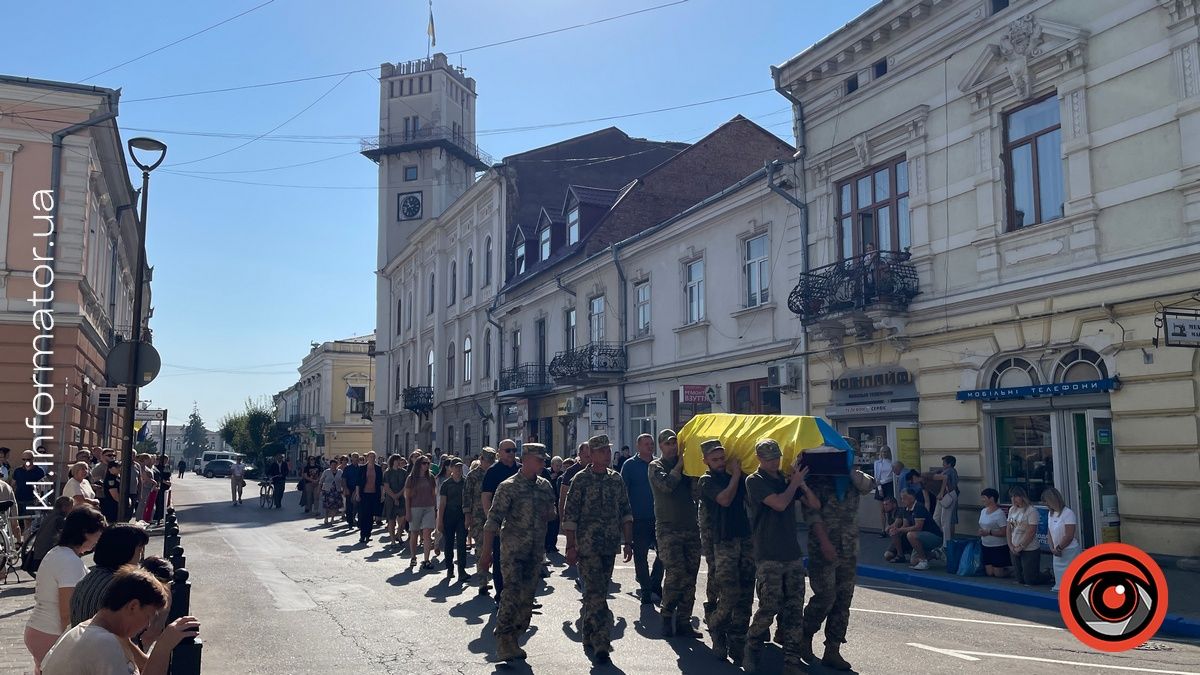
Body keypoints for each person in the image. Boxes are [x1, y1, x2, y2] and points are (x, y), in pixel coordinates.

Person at [743, 439, 819, 674]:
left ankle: (791, 662)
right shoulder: (754, 481)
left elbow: (814, 505)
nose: (774, 462)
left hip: (791, 553)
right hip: (769, 554)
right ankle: (752, 646)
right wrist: (793, 484)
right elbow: (779, 504)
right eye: (769, 459)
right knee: (769, 606)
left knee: (794, 609)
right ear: (759, 459)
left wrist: (801, 485)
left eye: (776, 457)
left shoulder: (784, 479)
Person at [41, 567, 200, 675]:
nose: (148, 625)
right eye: (148, 616)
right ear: (133, 606)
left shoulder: (86, 629)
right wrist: (163, 646)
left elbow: (145, 666)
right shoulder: (104, 642)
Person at [480, 443, 556, 663]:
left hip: (535, 552)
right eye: (539, 460)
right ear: (527, 459)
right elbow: (492, 521)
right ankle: (503, 640)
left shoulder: (544, 486)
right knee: (511, 594)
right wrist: (486, 554)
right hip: (513, 551)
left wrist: (549, 514)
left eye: (544, 460)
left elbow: (551, 513)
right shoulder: (508, 486)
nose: (543, 464)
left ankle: (514, 637)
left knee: (527, 598)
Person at [562, 434, 633, 665]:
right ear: (590, 455)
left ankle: (588, 633)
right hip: (588, 546)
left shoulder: (616, 479)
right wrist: (570, 546)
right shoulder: (581, 480)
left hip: (609, 545)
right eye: (601, 450)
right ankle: (602, 641)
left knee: (598, 592)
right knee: (595, 593)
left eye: (608, 450)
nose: (606, 454)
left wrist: (628, 542)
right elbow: (570, 515)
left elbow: (625, 510)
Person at [801, 459, 875, 672]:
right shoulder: (816, 481)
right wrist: (824, 542)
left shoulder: (853, 480)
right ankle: (804, 636)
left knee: (843, 600)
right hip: (823, 548)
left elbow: (869, 486)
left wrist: (852, 471)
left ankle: (832, 649)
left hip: (848, 548)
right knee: (825, 597)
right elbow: (812, 516)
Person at [24, 506, 106, 674]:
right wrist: (74, 644)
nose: (97, 542)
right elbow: (67, 613)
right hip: (51, 632)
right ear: (84, 532)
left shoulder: (58, 553)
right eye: (97, 535)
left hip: (41, 629)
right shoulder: (69, 561)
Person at [697, 439, 754, 663]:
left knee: (746, 592)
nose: (720, 463)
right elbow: (725, 499)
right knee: (726, 591)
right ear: (705, 461)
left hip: (744, 537)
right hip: (722, 541)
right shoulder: (706, 480)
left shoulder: (737, 478)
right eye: (715, 460)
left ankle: (737, 639)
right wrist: (737, 475)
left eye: (722, 458)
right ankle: (715, 627)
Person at [648, 428, 701, 638]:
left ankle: (684, 621)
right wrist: (680, 466)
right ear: (660, 446)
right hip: (668, 528)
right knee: (675, 573)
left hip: (689, 526)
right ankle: (667, 615)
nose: (672, 447)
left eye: (674, 443)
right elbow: (667, 486)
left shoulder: (687, 467)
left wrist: (694, 471)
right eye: (668, 443)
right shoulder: (655, 466)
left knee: (690, 575)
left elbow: (697, 493)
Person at [70, 523, 149, 627]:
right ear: (125, 552)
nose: (141, 556)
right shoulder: (121, 586)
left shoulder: (88, 578)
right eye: (139, 550)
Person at [620, 433, 662, 605]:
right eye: (646, 444)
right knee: (640, 555)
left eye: (652, 444)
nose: (650, 446)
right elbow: (622, 491)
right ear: (638, 446)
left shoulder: (659, 464)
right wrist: (624, 517)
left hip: (659, 517)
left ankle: (655, 583)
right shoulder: (629, 465)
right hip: (638, 518)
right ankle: (646, 589)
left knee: (664, 554)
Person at [481, 439, 521, 596]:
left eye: (514, 450)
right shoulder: (493, 471)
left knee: (519, 560)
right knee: (499, 560)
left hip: (520, 523)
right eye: (508, 450)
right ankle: (500, 594)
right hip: (500, 523)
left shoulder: (520, 470)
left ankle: (519, 595)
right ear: (499, 452)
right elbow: (486, 497)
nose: (512, 453)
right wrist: (491, 520)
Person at [464, 448, 495, 590]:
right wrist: (467, 516)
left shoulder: (496, 474)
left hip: (494, 515)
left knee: (496, 548)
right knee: (481, 547)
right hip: (478, 517)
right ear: (481, 459)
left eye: (491, 461)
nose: (489, 463)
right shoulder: (473, 476)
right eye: (487, 460)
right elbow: (466, 496)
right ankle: (483, 580)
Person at [1042, 487, 1081, 592]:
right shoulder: (1050, 514)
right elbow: (1049, 532)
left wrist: (1059, 548)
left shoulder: (1068, 513)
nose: (1046, 504)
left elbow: (1069, 535)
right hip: (1056, 551)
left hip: (1069, 550)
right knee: (1060, 580)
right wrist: (1052, 548)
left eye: (1047, 501)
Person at [405, 454, 438, 570]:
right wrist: (407, 511)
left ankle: (426, 560)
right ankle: (413, 556)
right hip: (415, 508)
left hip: (429, 507)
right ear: (419, 464)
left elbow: (434, 494)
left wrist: (435, 509)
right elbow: (407, 496)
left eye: (428, 463)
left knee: (427, 533)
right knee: (414, 533)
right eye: (424, 463)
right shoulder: (411, 478)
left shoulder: (431, 477)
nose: (427, 465)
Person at [437, 458, 468, 579]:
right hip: (448, 515)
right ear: (451, 468)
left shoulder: (466, 482)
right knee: (449, 544)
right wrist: (440, 521)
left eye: (460, 467)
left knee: (461, 543)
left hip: (462, 515)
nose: (458, 469)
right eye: (456, 467)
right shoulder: (446, 484)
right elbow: (442, 503)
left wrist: (468, 517)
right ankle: (450, 568)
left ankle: (462, 570)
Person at [28, 498, 75, 575]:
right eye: (71, 507)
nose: (72, 509)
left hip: (39, 551)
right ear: (64, 508)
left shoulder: (51, 516)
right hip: (47, 551)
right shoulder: (59, 519)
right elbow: (67, 534)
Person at [1007, 486, 1042, 585]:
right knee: (1019, 577)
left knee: (1030, 579)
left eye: (1016, 496)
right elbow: (1009, 528)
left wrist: (1021, 546)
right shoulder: (1012, 510)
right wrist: (1010, 545)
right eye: (1012, 497)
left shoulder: (1031, 511)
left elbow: (1031, 531)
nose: (1013, 499)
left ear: (1022, 497)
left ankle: (1045, 575)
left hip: (1029, 548)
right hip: (1014, 544)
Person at [977, 488, 1010, 578]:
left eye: (984, 497)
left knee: (998, 574)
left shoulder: (999, 514)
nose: (982, 500)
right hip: (986, 545)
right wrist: (981, 531)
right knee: (989, 573)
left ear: (991, 499)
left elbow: (1004, 532)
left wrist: (989, 532)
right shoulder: (983, 511)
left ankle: (1012, 570)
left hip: (998, 546)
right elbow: (982, 525)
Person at [354, 451, 384, 545]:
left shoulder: (378, 468)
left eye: (373, 457)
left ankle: (368, 534)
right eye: (370, 456)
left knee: (371, 515)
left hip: (374, 494)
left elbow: (380, 483)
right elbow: (358, 482)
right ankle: (362, 534)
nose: (372, 458)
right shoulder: (362, 468)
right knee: (363, 514)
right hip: (364, 494)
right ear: (367, 458)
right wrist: (358, 494)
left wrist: (382, 495)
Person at [931, 455, 960, 540]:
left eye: (944, 462)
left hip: (947, 496)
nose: (942, 464)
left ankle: (948, 540)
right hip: (948, 496)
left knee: (948, 520)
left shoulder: (949, 471)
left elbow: (942, 478)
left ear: (949, 464)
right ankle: (947, 539)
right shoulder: (952, 471)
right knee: (947, 519)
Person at [13, 449, 48, 519]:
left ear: (33, 459)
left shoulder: (39, 471)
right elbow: (13, 484)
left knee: (29, 521)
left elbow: (43, 487)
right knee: (17, 521)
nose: (26, 461)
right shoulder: (18, 470)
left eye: (28, 459)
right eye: (24, 459)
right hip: (18, 499)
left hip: (31, 500)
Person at [382, 454, 409, 544]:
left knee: (402, 518)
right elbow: (386, 487)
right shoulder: (387, 473)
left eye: (399, 460)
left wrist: (398, 495)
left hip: (401, 497)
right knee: (391, 519)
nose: (398, 462)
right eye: (397, 460)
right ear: (392, 461)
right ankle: (393, 540)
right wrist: (394, 497)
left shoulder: (404, 472)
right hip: (390, 498)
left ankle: (399, 534)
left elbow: (406, 486)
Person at [545, 455, 564, 555]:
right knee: (549, 525)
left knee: (556, 525)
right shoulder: (547, 472)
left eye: (560, 465)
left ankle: (553, 544)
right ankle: (547, 544)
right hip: (549, 501)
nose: (558, 467)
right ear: (552, 465)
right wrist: (551, 479)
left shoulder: (561, 474)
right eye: (556, 465)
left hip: (557, 500)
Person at [873, 446, 894, 535]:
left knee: (890, 508)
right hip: (880, 485)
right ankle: (883, 530)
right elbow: (876, 476)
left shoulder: (892, 463)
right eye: (882, 452)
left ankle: (891, 527)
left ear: (888, 452)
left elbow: (891, 477)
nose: (884, 453)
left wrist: (881, 482)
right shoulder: (877, 463)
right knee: (882, 509)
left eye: (885, 452)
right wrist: (879, 488)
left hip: (888, 485)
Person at [320, 458, 344, 525]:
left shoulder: (340, 472)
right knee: (327, 506)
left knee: (335, 506)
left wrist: (343, 489)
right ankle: (326, 518)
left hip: (337, 491)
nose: (333, 466)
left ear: (337, 465)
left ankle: (332, 519)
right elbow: (321, 480)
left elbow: (342, 481)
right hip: (327, 491)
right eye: (332, 465)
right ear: (330, 465)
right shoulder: (326, 471)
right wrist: (319, 488)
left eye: (335, 465)